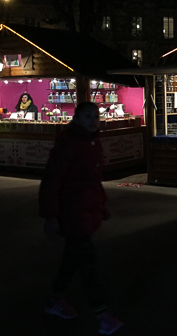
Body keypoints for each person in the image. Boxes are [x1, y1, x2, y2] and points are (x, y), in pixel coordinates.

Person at [38, 102, 123, 335]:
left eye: (96, 115)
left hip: (85, 209)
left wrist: (100, 204)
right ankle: (102, 315)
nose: (93, 120)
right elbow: (52, 180)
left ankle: (53, 300)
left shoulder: (92, 141)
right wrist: (50, 215)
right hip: (72, 211)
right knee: (88, 265)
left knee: (72, 260)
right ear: (76, 118)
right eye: (88, 116)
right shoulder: (70, 143)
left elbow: (93, 181)